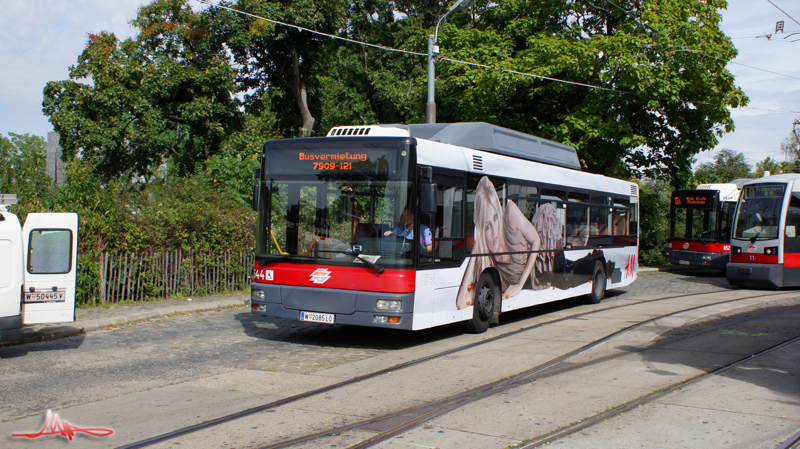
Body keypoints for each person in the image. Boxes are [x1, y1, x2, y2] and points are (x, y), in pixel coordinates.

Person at [456, 177, 541, 309]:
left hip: (543, 266)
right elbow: (461, 303)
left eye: (495, 218)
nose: (494, 231)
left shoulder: (510, 213)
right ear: (481, 231)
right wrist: (475, 250)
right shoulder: (490, 263)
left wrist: (519, 285)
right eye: (487, 226)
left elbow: (536, 240)